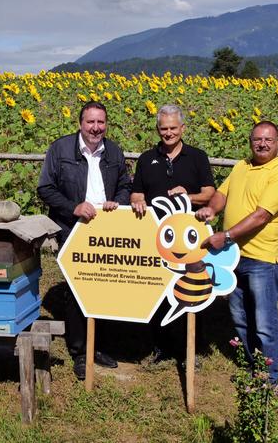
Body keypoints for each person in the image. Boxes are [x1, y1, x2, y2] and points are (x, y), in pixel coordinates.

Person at [38, 101, 131, 380]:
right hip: (72, 227)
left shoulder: (113, 151)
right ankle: (80, 351)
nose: (96, 128)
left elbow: (126, 184)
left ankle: (99, 345)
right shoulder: (61, 149)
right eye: (90, 122)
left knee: (104, 285)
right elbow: (45, 188)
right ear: (80, 124)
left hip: (106, 229)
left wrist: (120, 201)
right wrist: (73, 207)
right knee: (78, 289)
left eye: (101, 122)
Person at [195, 121, 278, 384]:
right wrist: (213, 210)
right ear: (250, 141)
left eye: (268, 140)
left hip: (262, 259)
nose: (262, 144)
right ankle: (252, 365)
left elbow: (261, 216)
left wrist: (225, 236)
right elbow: (221, 193)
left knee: (264, 322)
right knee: (239, 317)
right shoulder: (242, 166)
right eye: (257, 139)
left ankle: (269, 377)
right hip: (233, 257)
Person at [130, 104, 215, 363]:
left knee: (190, 289)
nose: (168, 133)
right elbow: (136, 192)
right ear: (158, 129)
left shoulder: (197, 157)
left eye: (173, 128)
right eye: (164, 128)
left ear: (183, 129)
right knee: (157, 290)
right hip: (156, 234)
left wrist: (187, 196)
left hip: (189, 236)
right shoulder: (146, 159)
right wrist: (137, 201)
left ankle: (190, 347)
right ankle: (161, 345)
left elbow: (209, 192)